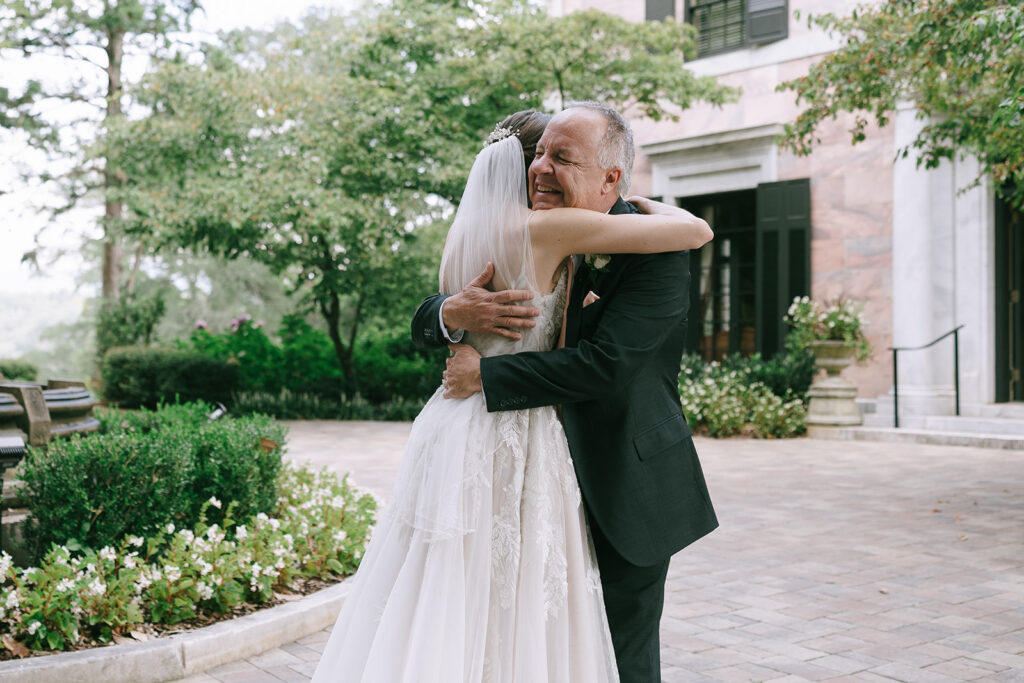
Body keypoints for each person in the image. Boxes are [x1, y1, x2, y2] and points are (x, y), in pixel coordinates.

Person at [311, 107, 712, 683]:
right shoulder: (528, 227)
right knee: (493, 623)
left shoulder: (654, 251)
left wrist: (486, 376)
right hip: (514, 469)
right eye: (540, 156)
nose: (543, 170)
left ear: (611, 180)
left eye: (563, 159)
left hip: (620, 477)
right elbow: (434, 308)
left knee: (619, 656)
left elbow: (612, 364)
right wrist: (449, 311)